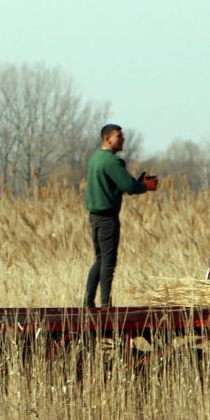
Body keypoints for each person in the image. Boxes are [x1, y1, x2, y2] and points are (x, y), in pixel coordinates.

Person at [83, 124, 158, 308]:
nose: (122, 139)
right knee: (108, 261)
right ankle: (106, 305)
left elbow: (113, 186)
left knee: (100, 258)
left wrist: (135, 183)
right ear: (107, 138)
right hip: (108, 218)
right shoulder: (112, 161)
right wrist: (145, 186)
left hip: (94, 216)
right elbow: (129, 187)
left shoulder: (95, 158)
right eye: (118, 136)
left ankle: (88, 301)